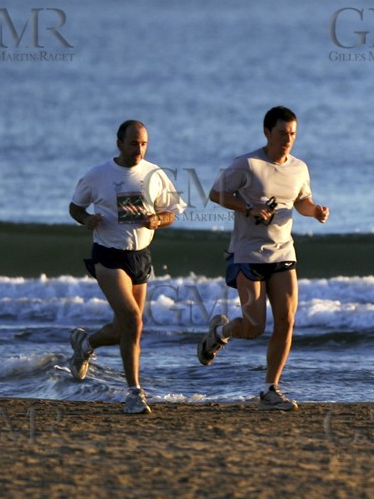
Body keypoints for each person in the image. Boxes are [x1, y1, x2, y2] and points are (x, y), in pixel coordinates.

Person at [197, 106, 329, 409]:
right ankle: (220, 333)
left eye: (293, 134)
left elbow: (302, 202)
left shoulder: (299, 168)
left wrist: (316, 211)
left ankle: (271, 388)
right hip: (248, 254)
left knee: (287, 321)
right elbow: (216, 194)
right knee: (255, 326)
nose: (288, 139)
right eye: (282, 133)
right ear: (267, 132)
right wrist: (249, 209)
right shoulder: (247, 164)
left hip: (283, 252)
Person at [66, 119, 185, 415]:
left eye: (144, 143)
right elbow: (75, 207)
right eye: (133, 143)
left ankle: (85, 343)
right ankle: (134, 393)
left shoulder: (154, 174)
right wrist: (85, 220)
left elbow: (172, 211)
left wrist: (158, 220)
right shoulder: (98, 175)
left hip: (140, 257)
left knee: (125, 329)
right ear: (119, 143)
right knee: (133, 319)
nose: (139, 149)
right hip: (108, 255)